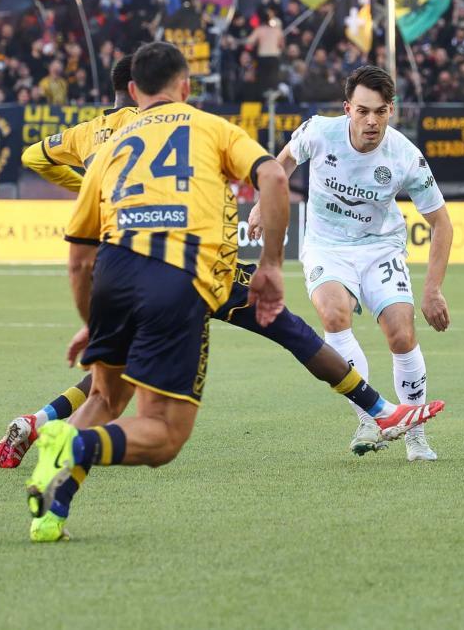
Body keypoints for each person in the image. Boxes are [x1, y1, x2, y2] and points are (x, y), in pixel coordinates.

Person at [22, 44, 439, 543]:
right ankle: (67, 444)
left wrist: (93, 319)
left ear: (133, 93)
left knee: (108, 396)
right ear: (186, 88)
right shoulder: (208, 126)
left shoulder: (107, 147)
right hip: (187, 272)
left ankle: (52, 509)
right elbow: (271, 174)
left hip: (115, 274)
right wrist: (270, 266)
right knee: (164, 434)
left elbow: (80, 256)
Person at [254, 65, 454, 460]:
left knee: (400, 332)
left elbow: (441, 224)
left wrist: (433, 289)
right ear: (347, 108)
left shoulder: (405, 156)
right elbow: (283, 164)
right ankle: (369, 415)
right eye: (362, 111)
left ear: (391, 111)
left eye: (379, 111)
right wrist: (263, 202)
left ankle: (415, 436)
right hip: (326, 245)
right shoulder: (319, 132)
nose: (371, 121)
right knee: (333, 314)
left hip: (380, 246)